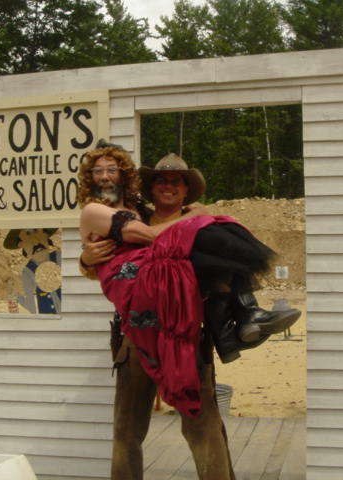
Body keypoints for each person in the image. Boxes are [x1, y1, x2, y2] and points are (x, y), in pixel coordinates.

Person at [77, 141, 299, 479]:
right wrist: (84, 260)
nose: (168, 186)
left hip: (186, 331)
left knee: (202, 426)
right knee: (127, 429)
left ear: (185, 191)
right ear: (151, 188)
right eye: (162, 181)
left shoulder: (202, 224)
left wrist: (199, 218)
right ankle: (240, 324)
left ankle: (242, 318)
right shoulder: (138, 215)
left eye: (176, 182)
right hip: (136, 336)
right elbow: (113, 255)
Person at [4, 228, 61, 314]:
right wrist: (14, 295)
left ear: (45, 234)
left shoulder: (59, 257)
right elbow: (31, 307)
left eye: (36, 231)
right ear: (21, 244)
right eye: (27, 234)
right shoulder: (28, 272)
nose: (36, 241)